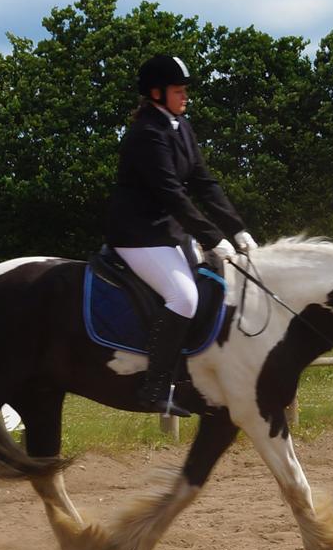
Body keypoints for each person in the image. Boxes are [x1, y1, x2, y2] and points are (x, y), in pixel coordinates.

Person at [105, 54, 258, 416]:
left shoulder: (179, 126)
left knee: (219, 284)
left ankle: (200, 373)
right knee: (184, 297)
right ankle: (155, 387)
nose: (185, 96)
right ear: (156, 93)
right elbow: (171, 194)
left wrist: (238, 230)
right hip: (138, 234)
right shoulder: (146, 133)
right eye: (179, 90)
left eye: (185, 89)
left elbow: (204, 183)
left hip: (168, 233)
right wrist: (212, 237)